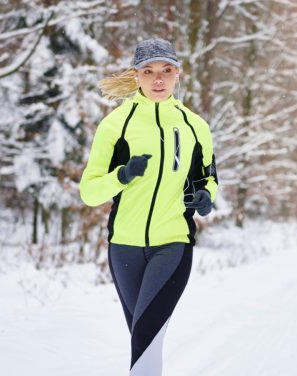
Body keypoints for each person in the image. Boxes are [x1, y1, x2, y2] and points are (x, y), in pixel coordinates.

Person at [79, 38, 219, 376]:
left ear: (177, 75)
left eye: (166, 71)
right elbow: (89, 191)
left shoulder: (195, 127)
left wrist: (205, 197)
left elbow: (208, 178)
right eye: (149, 71)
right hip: (124, 246)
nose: (158, 79)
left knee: (145, 335)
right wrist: (122, 175)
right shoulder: (116, 125)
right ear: (136, 76)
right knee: (142, 339)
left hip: (172, 244)